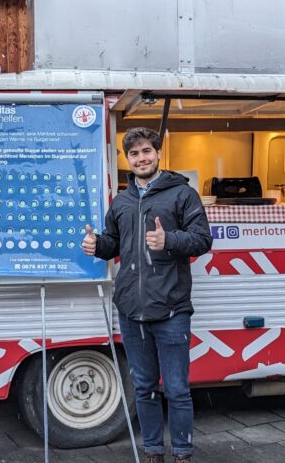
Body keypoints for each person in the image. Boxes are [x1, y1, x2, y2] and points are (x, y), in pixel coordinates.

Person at [82, 127, 213, 463]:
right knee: (143, 388)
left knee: (178, 390)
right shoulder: (122, 201)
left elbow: (202, 239)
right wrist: (98, 246)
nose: (141, 158)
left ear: (158, 153)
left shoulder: (182, 194)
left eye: (146, 151)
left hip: (171, 309)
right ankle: (152, 451)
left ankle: (182, 453)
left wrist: (168, 240)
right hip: (131, 310)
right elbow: (114, 242)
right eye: (134, 154)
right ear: (128, 160)